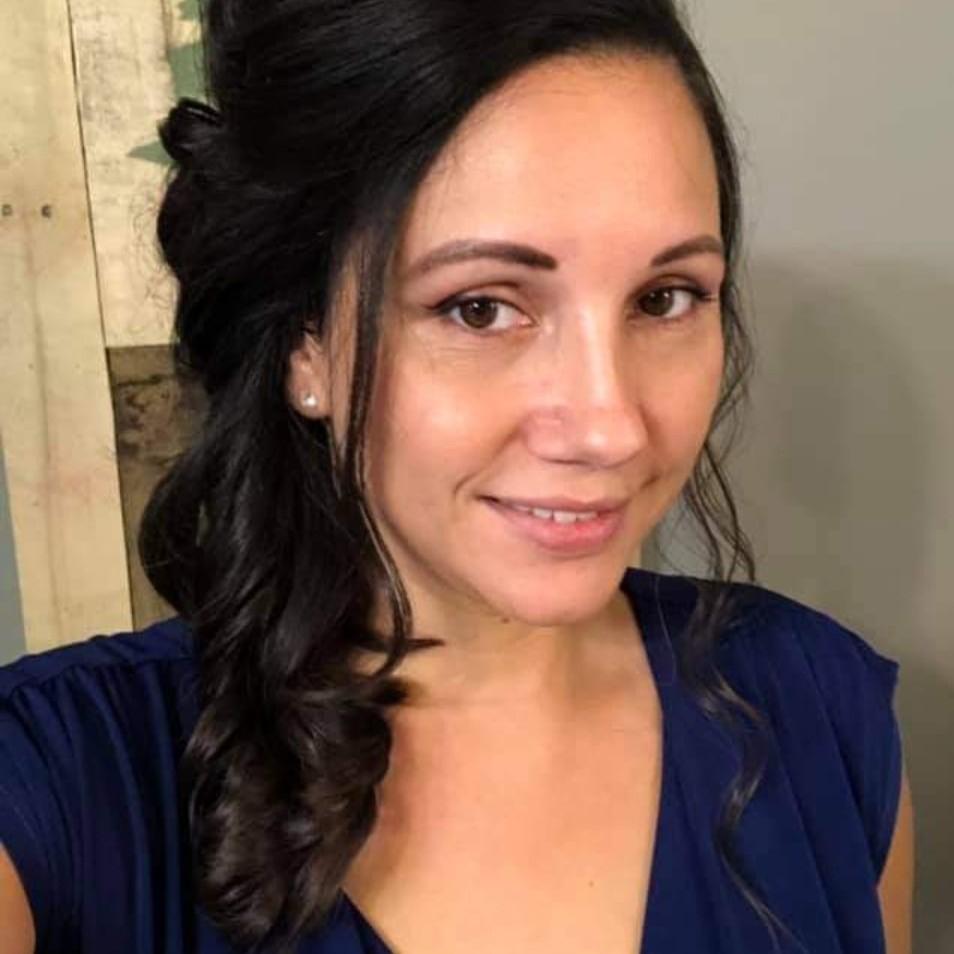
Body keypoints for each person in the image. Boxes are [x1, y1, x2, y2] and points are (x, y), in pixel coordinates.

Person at [0, 1, 914, 952]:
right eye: (481, 308)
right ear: (306, 341)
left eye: (664, 297)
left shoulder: (823, 712)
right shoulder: (52, 788)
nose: (609, 427)